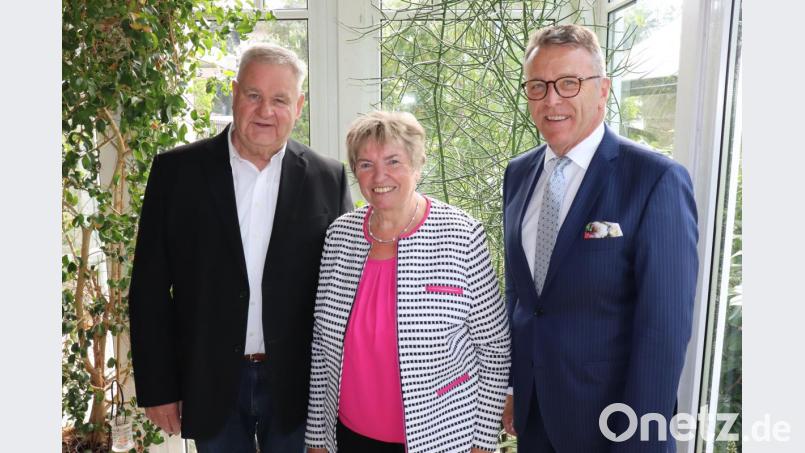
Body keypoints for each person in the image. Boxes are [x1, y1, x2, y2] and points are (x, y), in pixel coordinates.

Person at [128, 43, 352, 453]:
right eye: (253, 95)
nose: (266, 111)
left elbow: (346, 291)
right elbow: (149, 289)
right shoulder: (176, 173)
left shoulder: (328, 178)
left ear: (299, 106)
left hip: (297, 387)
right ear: (234, 93)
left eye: (280, 99)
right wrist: (158, 387)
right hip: (210, 380)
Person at [501, 24, 698, 452]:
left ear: (603, 89)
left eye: (569, 83)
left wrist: (636, 437)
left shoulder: (654, 179)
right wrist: (516, 386)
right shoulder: (517, 174)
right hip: (535, 421)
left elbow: (663, 330)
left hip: (612, 427)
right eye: (538, 86)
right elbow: (520, 292)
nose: (552, 99)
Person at [304, 111, 511, 453]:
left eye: (393, 161)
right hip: (350, 436)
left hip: (441, 437)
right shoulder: (339, 236)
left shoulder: (460, 234)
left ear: (417, 164)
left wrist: (483, 442)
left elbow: (495, 349)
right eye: (366, 164)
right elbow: (322, 349)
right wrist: (317, 438)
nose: (379, 175)